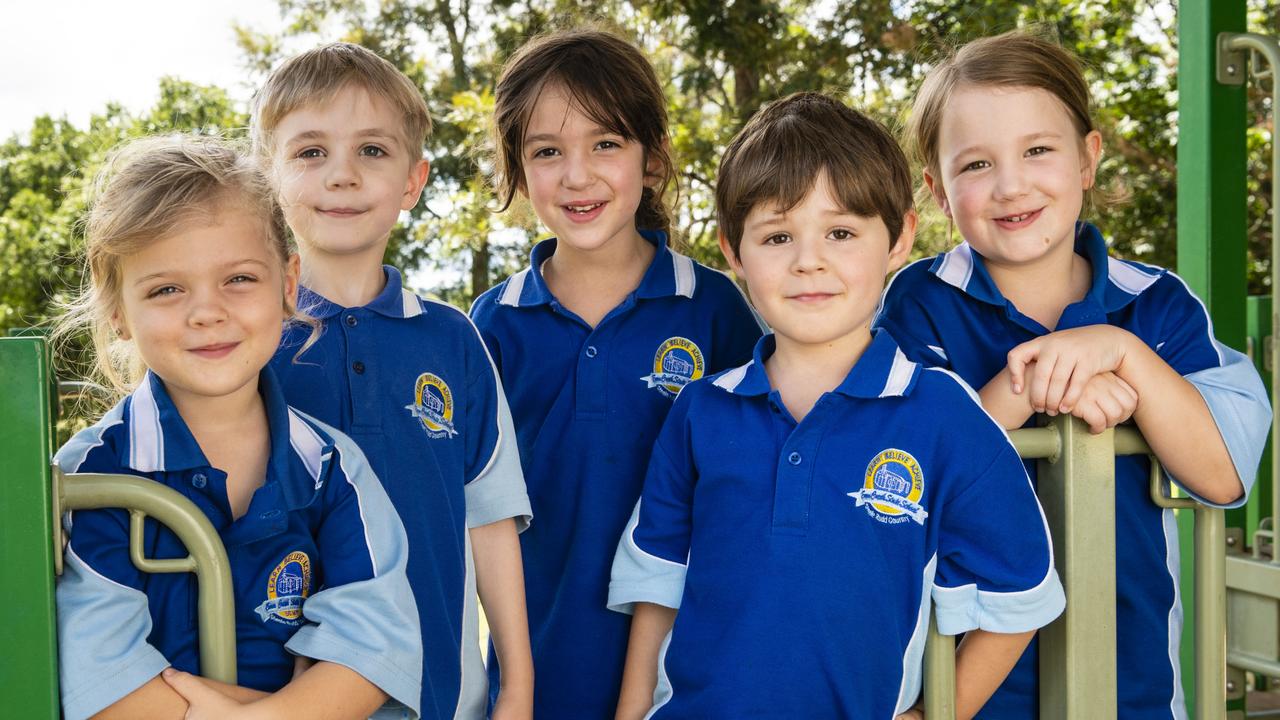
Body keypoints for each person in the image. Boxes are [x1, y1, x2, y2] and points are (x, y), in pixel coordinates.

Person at [608, 91, 1065, 720]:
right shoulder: (701, 411)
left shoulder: (940, 412)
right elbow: (658, 583)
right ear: (734, 251)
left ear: (901, 237)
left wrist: (939, 714)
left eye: (842, 231)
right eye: (776, 236)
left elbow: (1023, 595)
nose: (809, 261)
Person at [876, 30, 1272, 719]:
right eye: (975, 165)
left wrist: (1123, 354)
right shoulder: (919, 303)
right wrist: (1043, 379)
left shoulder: (1156, 304)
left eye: (1038, 150)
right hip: (962, 682)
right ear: (939, 192)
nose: (1011, 184)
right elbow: (909, 457)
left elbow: (1222, 473)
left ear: (1088, 158)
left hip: (1133, 678)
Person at [52, 135, 421, 720]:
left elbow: (374, 654)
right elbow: (102, 680)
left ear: (289, 282)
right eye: (167, 289)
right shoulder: (90, 476)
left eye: (240, 279)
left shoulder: (332, 467)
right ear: (118, 310)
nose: (207, 311)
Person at [469, 28, 765, 719]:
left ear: (653, 161)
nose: (578, 175)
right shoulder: (491, 326)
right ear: (516, 171)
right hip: (533, 675)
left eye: (606, 144)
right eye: (547, 152)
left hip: (690, 674)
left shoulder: (715, 309)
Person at [251, 43, 535, 720]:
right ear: (268, 179)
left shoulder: (455, 339)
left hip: (439, 693)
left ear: (413, 182)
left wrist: (516, 686)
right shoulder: (245, 341)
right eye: (311, 151)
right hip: (272, 693)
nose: (342, 175)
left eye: (372, 151)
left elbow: (491, 519)